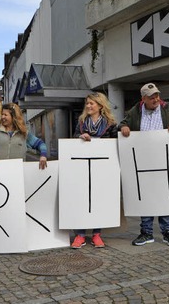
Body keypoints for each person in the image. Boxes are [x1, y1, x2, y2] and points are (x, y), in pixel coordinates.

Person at [120, 82, 169, 247]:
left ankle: (167, 232)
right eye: (151, 97)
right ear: (143, 99)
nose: (155, 99)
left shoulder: (167, 109)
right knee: (145, 195)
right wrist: (124, 127)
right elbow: (122, 123)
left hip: (163, 158)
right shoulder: (135, 111)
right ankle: (146, 232)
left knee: (164, 195)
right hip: (142, 158)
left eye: (157, 96)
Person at [70, 92, 119, 249]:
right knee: (82, 198)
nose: (88, 106)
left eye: (91, 103)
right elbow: (73, 138)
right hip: (82, 167)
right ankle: (80, 234)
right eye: (87, 103)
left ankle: (97, 234)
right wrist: (80, 136)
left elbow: (115, 144)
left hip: (102, 168)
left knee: (99, 199)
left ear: (100, 105)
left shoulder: (110, 124)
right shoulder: (82, 122)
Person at [0, 103, 48, 170]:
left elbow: (41, 144)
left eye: (5, 115)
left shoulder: (24, 134)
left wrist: (43, 156)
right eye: (2, 114)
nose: (2, 117)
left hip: (16, 176)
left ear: (14, 117)